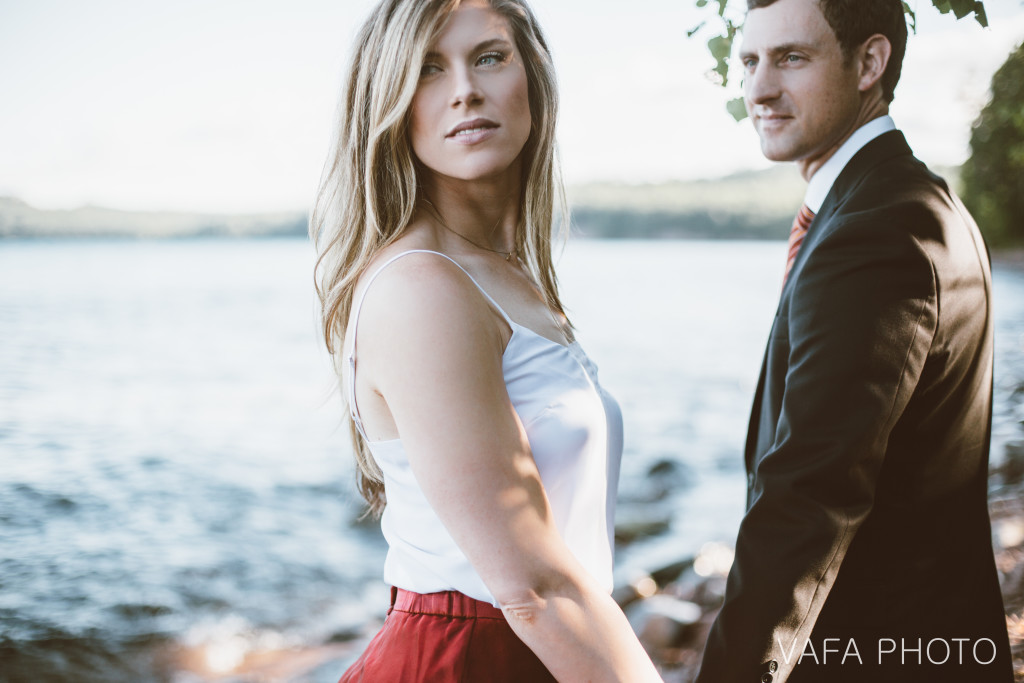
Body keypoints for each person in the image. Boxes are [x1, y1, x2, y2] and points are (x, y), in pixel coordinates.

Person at [310, 1, 662, 681]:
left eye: (489, 57)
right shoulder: (422, 288)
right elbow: (533, 590)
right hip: (467, 661)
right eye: (428, 71)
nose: (464, 89)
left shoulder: (508, 276)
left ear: (531, 74)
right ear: (389, 105)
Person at [695, 1, 1014, 681]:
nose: (758, 88)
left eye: (791, 58)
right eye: (749, 61)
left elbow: (809, 495)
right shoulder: (912, 201)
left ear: (870, 62)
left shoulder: (877, 231)